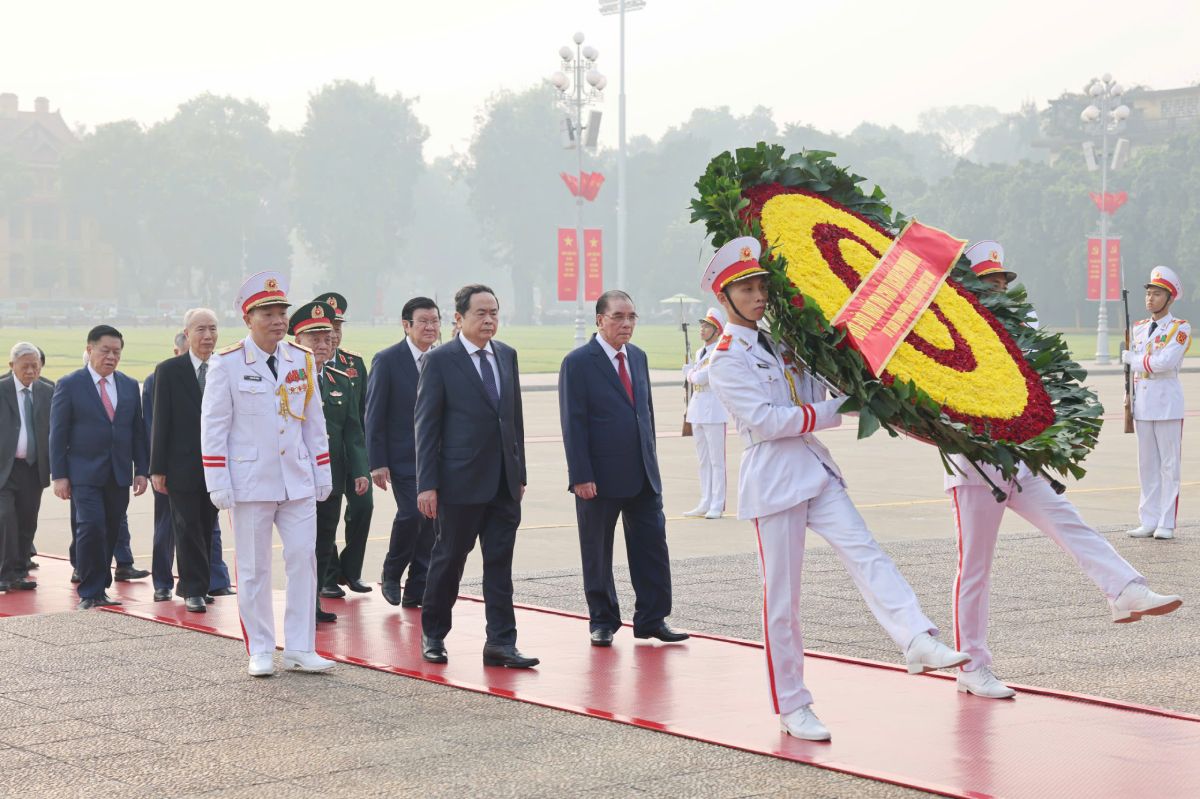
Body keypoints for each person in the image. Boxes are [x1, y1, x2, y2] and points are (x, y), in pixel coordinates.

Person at [703, 237, 969, 741]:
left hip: (813, 468)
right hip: (774, 479)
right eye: (748, 288)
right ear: (726, 297)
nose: (760, 296)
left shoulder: (782, 342)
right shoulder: (724, 358)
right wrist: (838, 409)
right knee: (782, 603)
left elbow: (816, 388)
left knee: (866, 551)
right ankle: (792, 706)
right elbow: (764, 421)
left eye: (762, 285)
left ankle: (916, 636)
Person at [946, 242, 1182, 700]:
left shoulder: (1024, 324)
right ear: (971, 287)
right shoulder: (953, 331)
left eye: (1002, 281)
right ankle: (972, 666)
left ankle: (1126, 589)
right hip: (974, 463)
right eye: (990, 282)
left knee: (1068, 520)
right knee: (974, 568)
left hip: (1020, 457)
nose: (999, 288)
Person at [201, 271, 335, 677]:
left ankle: (300, 647)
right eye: (268, 313)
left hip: (296, 479)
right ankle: (260, 647)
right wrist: (218, 480)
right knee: (255, 568)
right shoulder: (226, 364)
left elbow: (313, 420)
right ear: (248, 319)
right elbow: (214, 426)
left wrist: (322, 468)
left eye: (281, 313)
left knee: (302, 560)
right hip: (250, 482)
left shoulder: (301, 358)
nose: (278, 321)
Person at [558, 290, 689, 647]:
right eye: (618, 316)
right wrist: (580, 475)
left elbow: (643, 414)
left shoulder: (638, 357)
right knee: (597, 551)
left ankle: (652, 618)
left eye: (632, 316)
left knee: (652, 547)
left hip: (643, 475)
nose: (626, 324)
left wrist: (652, 462)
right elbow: (574, 423)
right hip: (598, 478)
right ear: (600, 320)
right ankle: (602, 620)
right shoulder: (579, 362)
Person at [415, 284, 536, 668]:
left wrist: (520, 472)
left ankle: (501, 641)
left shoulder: (506, 355)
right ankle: (434, 634)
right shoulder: (441, 361)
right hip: (459, 484)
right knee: (449, 559)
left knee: (500, 564)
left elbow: (513, 419)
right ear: (459, 318)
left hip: (503, 483)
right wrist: (427, 485)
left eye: (494, 313)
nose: (489, 320)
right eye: (481, 313)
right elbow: (426, 427)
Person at [50, 325, 149, 609]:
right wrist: (60, 475)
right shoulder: (70, 384)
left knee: (110, 529)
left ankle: (100, 587)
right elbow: (57, 433)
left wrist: (141, 469)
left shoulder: (129, 385)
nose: (111, 357)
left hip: (118, 473)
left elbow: (137, 431)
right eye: (105, 350)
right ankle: (90, 590)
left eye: (116, 352)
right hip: (84, 472)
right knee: (90, 527)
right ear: (90, 349)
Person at [288, 300, 369, 623]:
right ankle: (299, 604)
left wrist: (360, 469)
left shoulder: (340, 380)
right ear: (298, 341)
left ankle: (315, 600)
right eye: (314, 339)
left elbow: (353, 430)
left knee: (323, 541)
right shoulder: (286, 379)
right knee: (299, 546)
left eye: (326, 338)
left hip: (330, 475)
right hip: (294, 476)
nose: (322, 345)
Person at [146, 329, 235, 603]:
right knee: (186, 527)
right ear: (188, 334)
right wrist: (157, 468)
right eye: (201, 329)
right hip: (180, 464)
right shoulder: (170, 370)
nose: (208, 335)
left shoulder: (225, 367)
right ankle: (191, 590)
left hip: (217, 465)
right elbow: (160, 421)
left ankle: (203, 584)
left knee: (208, 527)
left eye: (213, 329)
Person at [368, 296, 441, 607]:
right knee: (412, 514)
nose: (430, 327)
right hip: (403, 457)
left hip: (438, 457)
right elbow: (374, 415)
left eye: (435, 321)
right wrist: (377, 462)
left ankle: (418, 587)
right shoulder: (387, 360)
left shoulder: (443, 359)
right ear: (406, 325)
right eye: (423, 321)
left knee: (433, 522)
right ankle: (392, 570)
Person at [1123, 265, 1190, 540]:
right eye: (1149, 293)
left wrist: (1133, 360)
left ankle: (1166, 522)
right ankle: (1148, 519)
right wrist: (1128, 395)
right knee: (1147, 465)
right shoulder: (1138, 328)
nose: (1150, 298)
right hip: (1143, 402)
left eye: (1157, 294)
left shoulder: (1179, 328)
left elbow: (1165, 362)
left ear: (1169, 298)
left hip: (1167, 402)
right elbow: (1133, 370)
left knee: (1169, 465)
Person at [315, 291, 374, 596]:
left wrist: (365, 463)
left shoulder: (353, 364)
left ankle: (351, 570)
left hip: (354, 456)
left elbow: (360, 417)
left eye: (338, 327)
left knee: (363, 509)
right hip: (325, 461)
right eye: (328, 328)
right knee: (326, 519)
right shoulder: (302, 366)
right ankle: (328, 574)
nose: (334, 334)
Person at [0, 342, 51, 591]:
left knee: (27, 520)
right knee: (5, 519)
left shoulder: (47, 391)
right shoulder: (1, 390)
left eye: (35, 366)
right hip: (5, 469)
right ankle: (3, 573)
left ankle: (19, 571)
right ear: (12, 367)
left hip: (33, 468)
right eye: (25, 366)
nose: (31, 371)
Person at [682, 306, 729, 519]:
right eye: (702, 325)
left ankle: (717, 503)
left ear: (717, 330)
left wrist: (691, 373)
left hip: (714, 409)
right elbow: (693, 375)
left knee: (717, 460)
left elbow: (700, 378)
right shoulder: (701, 352)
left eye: (707, 326)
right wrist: (692, 373)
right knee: (703, 460)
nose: (702, 329)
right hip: (698, 407)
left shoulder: (719, 352)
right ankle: (705, 500)